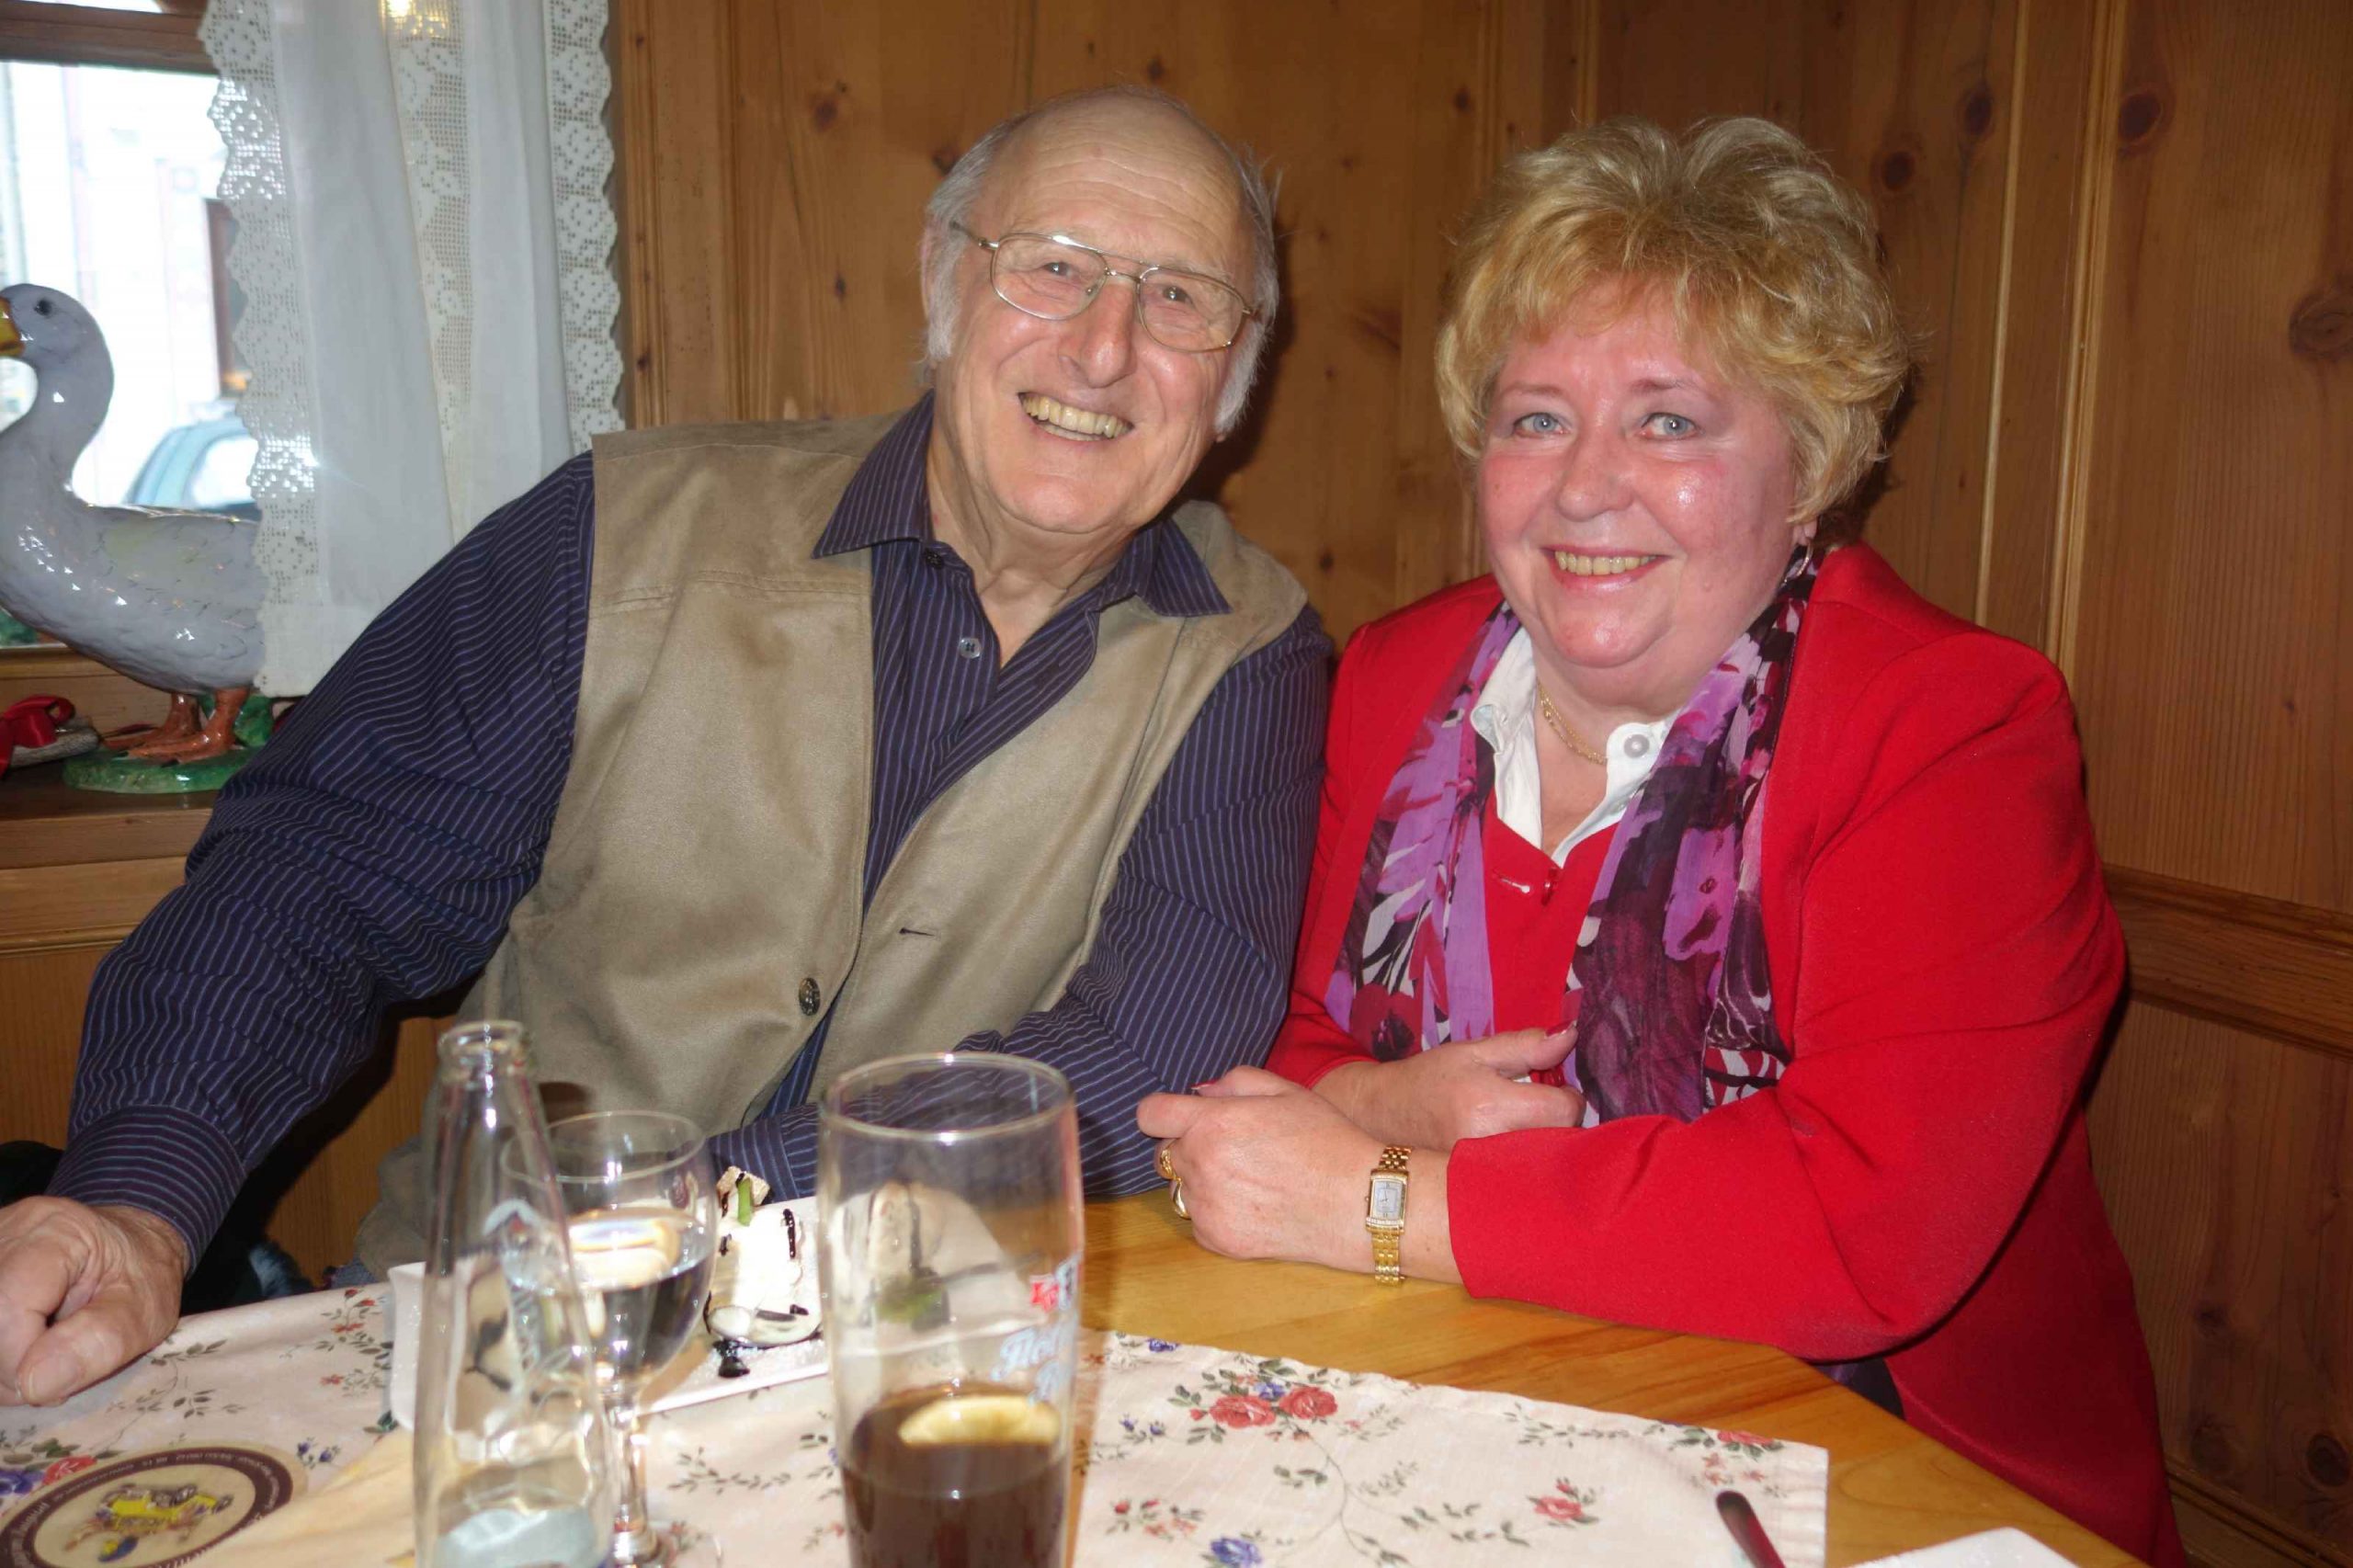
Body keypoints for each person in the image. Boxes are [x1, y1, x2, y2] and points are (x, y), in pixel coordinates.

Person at [0, 87, 1327, 1408]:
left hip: (912, 1363)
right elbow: (318, 881)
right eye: (1053, 267)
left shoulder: (1253, 649)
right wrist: (138, 1199)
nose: (1103, 348)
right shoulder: (618, 529)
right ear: (943, 276)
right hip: (493, 1344)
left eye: (1180, 297)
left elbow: (1142, 1053)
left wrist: (677, 1209)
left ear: (1234, 376)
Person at [1140, 117, 2182, 1563]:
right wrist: (1387, 1107)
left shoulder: (1947, 725)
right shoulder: (1393, 677)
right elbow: (1294, 1045)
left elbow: (1860, 1223)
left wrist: (1383, 1200)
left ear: (1807, 466)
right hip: (1478, 1413)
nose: (1584, 484)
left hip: (1900, 1484)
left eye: (1670, 421)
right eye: (1536, 417)